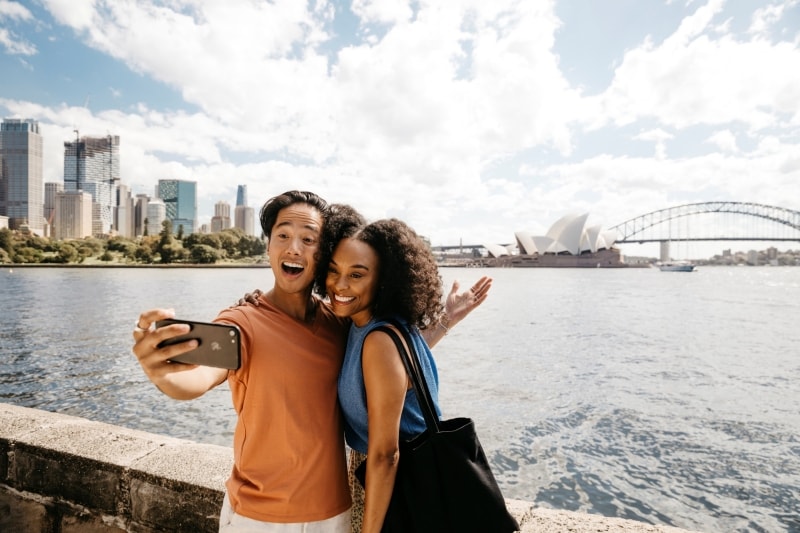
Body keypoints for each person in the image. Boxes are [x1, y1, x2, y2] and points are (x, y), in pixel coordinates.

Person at [131, 191, 490, 532]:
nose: (293, 247)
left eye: (308, 238)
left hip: (335, 514)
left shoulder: (339, 323)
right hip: (259, 517)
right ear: (268, 247)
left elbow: (390, 365)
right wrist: (159, 368)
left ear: (323, 252)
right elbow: (197, 378)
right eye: (282, 235)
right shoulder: (243, 322)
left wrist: (445, 321)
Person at [317, 214, 492, 533]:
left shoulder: (378, 339)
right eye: (333, 270)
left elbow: (385, 454)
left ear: (383, 280)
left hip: (394, 484)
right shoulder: (379, 325)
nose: (340, 285)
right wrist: (447, 319)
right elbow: (401, 369)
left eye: (356, 274)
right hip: (402, 478)